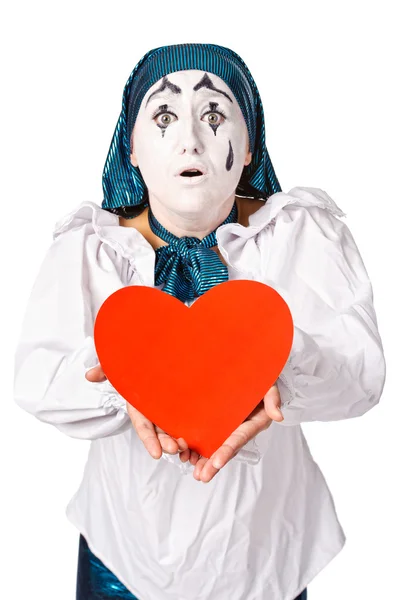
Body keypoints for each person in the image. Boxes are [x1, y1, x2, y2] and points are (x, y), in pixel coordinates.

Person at [13, 43, 386, 600]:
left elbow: (361, 376)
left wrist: (275, 361)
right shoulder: (90, 249)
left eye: (214, 116)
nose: (190, 139)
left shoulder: (303, 235)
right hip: (124, 554)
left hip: (266, 561)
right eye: (163, 117)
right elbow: (35, 379)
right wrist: (122, 380)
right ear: (131, 148)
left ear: (251, 139)